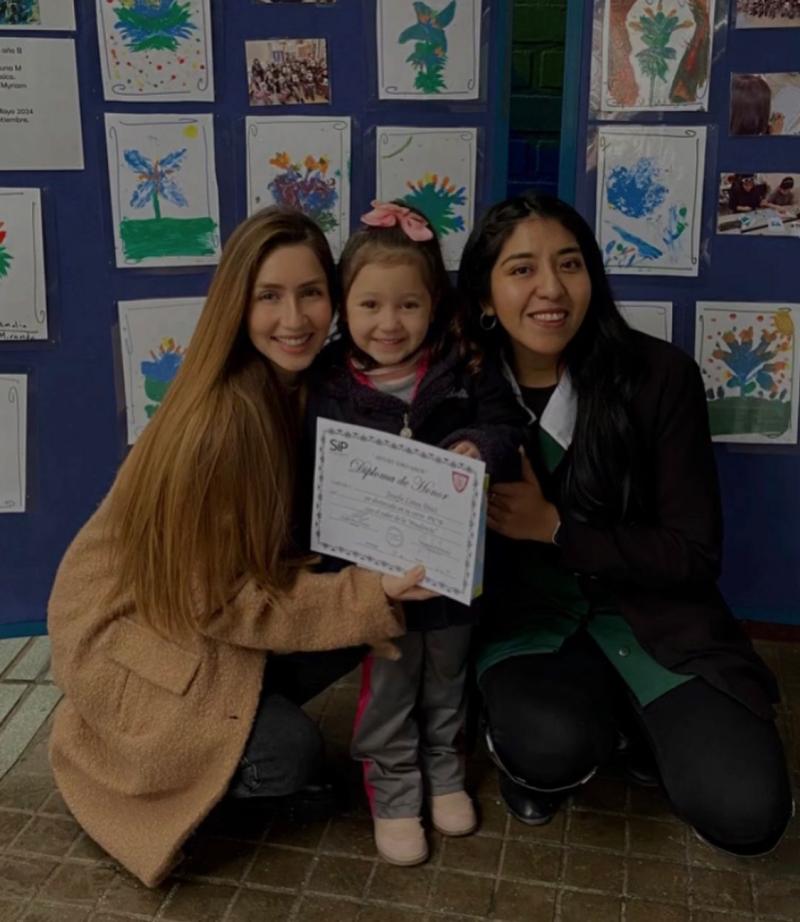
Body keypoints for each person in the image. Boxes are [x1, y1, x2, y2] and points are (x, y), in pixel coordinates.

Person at [47, 208, 433, 888]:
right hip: (133, 634)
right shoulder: (221, 423)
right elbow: (220, 605)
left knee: (368, 604)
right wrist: (363, 594)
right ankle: (105, 745)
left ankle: (234, 728)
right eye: (269, 296)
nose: (295, 318)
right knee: (289, 754)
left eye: (311, 293)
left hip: (195, 611)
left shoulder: (301, 387)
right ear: (237, 304)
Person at [457, 191, 793, 856]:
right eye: (521, 269)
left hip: (660, 623)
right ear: (486, 298)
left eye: (570, 264)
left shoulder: (658, 377)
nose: (550, 289)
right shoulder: (460, 392)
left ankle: (640, 725)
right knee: (548, 750)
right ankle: (564, 736)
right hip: (532, 629)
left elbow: (694, 555)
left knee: (748, 814)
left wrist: (557, 528)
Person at [304, 201, 525, 866]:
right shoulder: (328, 383)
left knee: (450, 674)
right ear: (344, 305)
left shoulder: (466, 365)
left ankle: (446, 771)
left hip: (455, 566)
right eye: (369, 305)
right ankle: (394, 790)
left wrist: (480, 446)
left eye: (408, 305)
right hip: (380, 580)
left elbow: (510, 429)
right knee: (391, 683)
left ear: (436, 304)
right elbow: (311, 474)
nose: (389, 323)